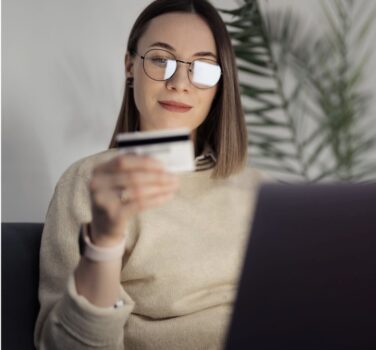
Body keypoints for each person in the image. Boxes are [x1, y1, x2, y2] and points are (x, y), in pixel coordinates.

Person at [34, 0, 267, 349]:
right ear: (130, 66)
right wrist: (104, 245)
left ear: (221, 84)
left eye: (203, 67)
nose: (180, 82)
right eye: (161, 59)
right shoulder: (90, 182)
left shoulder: (258, 188)